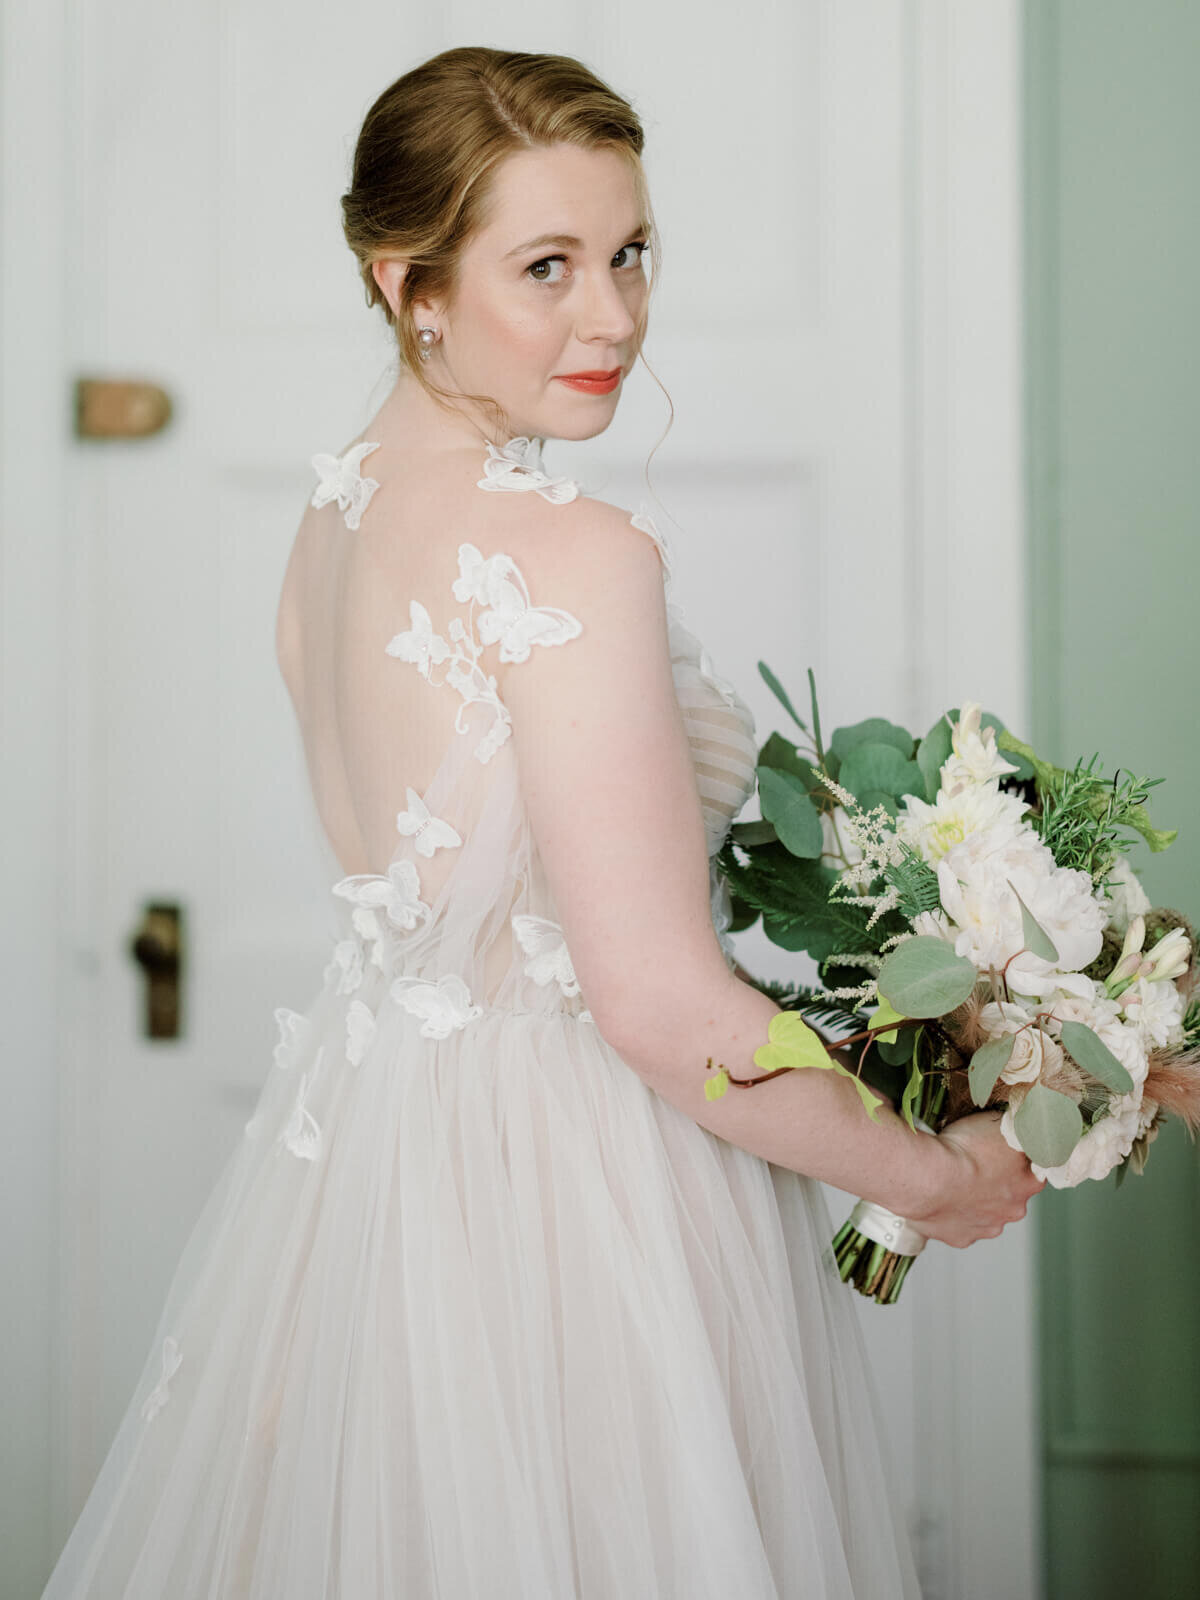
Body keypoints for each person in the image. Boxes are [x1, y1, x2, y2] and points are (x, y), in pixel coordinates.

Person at [40, 46, 1043, 1599]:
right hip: (576, 1201)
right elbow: (655, 1007)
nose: (615, 318)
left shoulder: (331, 522)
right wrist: (925, 1172)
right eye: (549, 267)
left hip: (381, 1192)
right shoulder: (577, 556)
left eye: (631, 252)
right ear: (409, 282)